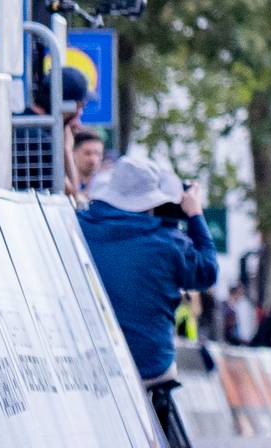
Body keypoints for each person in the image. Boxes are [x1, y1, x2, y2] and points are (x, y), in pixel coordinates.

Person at [80, 155, 219, 384]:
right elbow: (208, 272)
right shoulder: (169, 243)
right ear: (153, 199)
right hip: (150, 366)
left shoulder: (79, 226)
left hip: (92, 363)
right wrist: (195, 215)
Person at [67, 127, 107, 200]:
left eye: (97, 153)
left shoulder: (106, 184)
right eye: (87, 153)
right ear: (73, 153)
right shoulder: (64, 183)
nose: (93, 159)